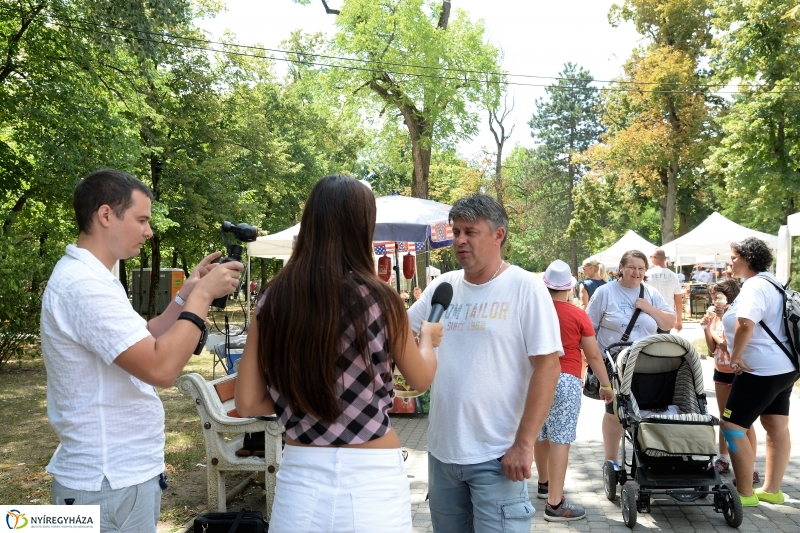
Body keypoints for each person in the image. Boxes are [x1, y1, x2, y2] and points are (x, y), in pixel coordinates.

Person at [234, 175, 442, 532]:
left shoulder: (273, 298)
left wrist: (309, 400)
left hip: (301, 479)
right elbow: (421, 379)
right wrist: (427, 340)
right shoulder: (382, 299)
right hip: (374, 482)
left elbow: (249, 402)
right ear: (363, 225)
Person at [41, 169, 243, 532]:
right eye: (142, 219)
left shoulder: (97, 277)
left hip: (114, 479)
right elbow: (160, 368)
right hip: (105, 484)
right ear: (106, 215)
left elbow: (144, 338)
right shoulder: (84, 285)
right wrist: (201, 297)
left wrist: (185, 294)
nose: (149, 231)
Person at [407, 194, 562, 533]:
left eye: (470, 232)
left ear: (498, 235)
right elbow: (397, 333)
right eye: (456, 232)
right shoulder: (442, 287)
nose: (460, 241)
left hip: (498, 457)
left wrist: (524, 445)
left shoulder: (525, 288)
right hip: (442, 456)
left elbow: (548, 368)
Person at [720, 237, 798, 507]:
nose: (730, 262)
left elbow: (745, 323)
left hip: (760, 370)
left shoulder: (754, 285)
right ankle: (772, 490)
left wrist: (737, 356)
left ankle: (745, 493)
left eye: (733, 257)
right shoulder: (774, 282)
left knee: (731, 427)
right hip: (786, 367)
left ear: (747, 258)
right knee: (776, 426)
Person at [534, 260, 613, 522]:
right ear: (570, 286)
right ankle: (555, 504)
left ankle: (544, 484)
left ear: (545, 285)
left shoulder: (533, 311)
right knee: (561, 439)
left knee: (540, 433)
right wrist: (606, 385)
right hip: (566, 378)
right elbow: (593, 355)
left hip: (534, 379)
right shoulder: (578, 314)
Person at [585, 250, 676, 465]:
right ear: (621, 268)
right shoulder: (605, 293)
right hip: (615, 361)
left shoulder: (651, 293)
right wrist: (593, 360)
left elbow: (668, 324)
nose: (636, 272)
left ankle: (649, 454)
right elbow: (589, 330)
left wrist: (648, 308)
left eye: (641, 268)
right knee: (616, 409)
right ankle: (611, 460)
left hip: (647, 363)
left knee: (646, 408)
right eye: (632, 267)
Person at [700, 279, 759, 482]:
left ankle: (749, 466)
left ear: (729, 296)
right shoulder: (715, 316)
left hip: (738, 373)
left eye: (717, 296)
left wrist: (717, 330)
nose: (714, 300)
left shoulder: (734, 315)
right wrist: (707, 329)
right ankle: (723, 458)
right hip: (720, 372)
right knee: (725, 418)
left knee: (743, 421)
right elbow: (712, 349)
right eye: (712, 297)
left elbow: (728, 345)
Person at [645, 248, 684, 332]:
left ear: (653, 258)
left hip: (651, 314)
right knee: (663, 342)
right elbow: (678, 301)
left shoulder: (647, 274)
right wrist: (679, 321)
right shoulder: (674, 276)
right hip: (667, 315)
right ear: (665, 259)